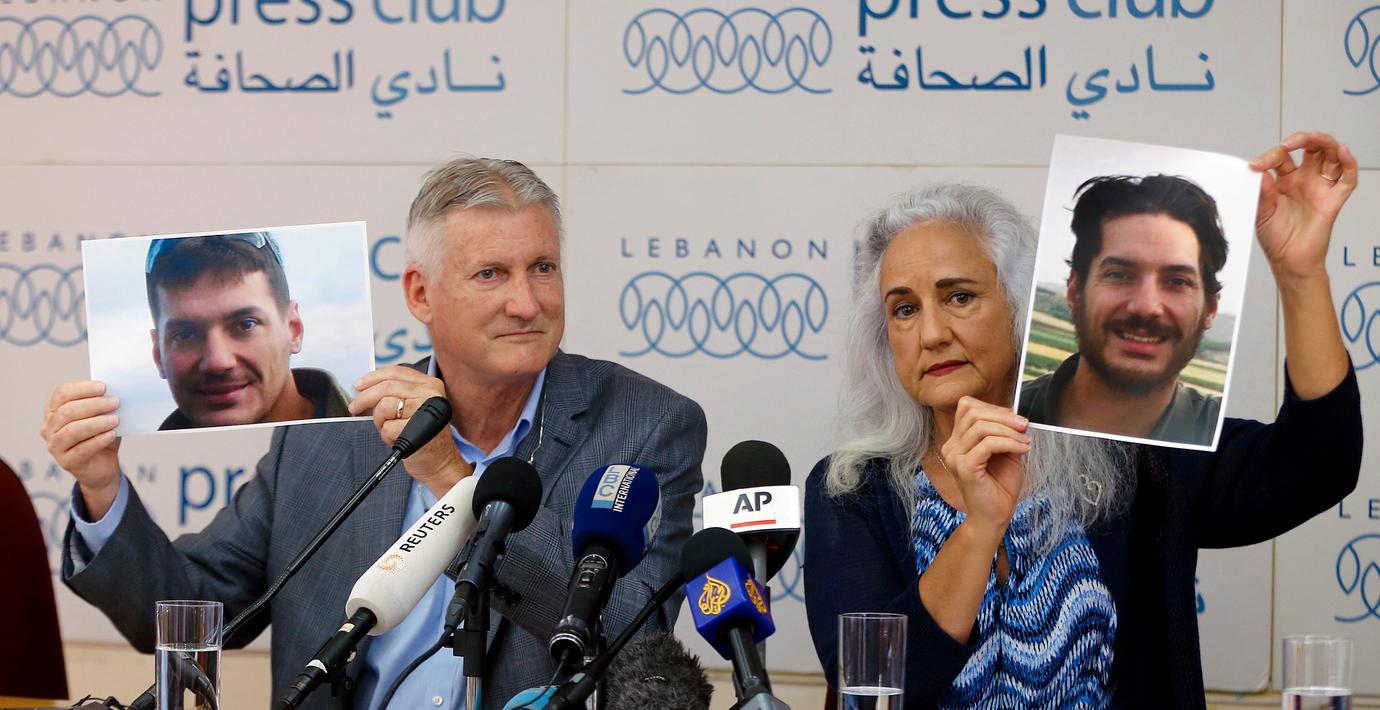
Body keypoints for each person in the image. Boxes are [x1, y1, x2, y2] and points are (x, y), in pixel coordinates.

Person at [40, 158, 708, 709]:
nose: (527, 302)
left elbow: (630, 641)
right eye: (490, 274)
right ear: (420, 295)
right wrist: (101, 489)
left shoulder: (645, 425)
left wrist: (452, 480)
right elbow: (194, 614)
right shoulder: (332, 436)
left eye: (542, 267)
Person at [803, 132, 1361, 708]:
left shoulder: (1132, 450)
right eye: (904, 309)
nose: (932, 333)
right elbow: (868, 688)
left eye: (960, 297)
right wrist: (979, 528)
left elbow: (1317, 465)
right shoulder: (851, 489)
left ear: (1019, 304)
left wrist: (1300, 274)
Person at [1020, 175, 1228, 445]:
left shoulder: (1228, 437)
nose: (1146, 307)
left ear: (1210, 309)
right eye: (1119, 275)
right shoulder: (1002, 412)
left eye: (1177, 282)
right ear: (1074, 291)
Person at [143, 231, 350, 430]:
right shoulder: (132, 453)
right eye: (185, 335)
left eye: (245, 325)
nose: (218, 362)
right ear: (158, 355)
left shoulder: (368, 437)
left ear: (293, 330)